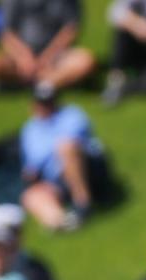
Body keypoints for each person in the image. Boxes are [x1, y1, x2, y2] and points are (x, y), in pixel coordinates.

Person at [20, 83, 111, 231]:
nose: (46, 106)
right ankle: (62, 222)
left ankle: (83, 204)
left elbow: (74, 143)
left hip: (88, 168)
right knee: (31, 195)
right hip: (56, 179)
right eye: (41, 103)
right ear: (34, 104)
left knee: (65, 148)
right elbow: (32, 164)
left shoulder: (71, 114)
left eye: (49, 102)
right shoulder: (29, 130)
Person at [0, 0, 96, 91]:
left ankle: (40, 83)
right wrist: (24, 58)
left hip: (57, 57)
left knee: (86, 61)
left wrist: (47, 58)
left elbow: (70, 30)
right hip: (20, 58)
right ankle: (43, 84)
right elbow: (6, 33)